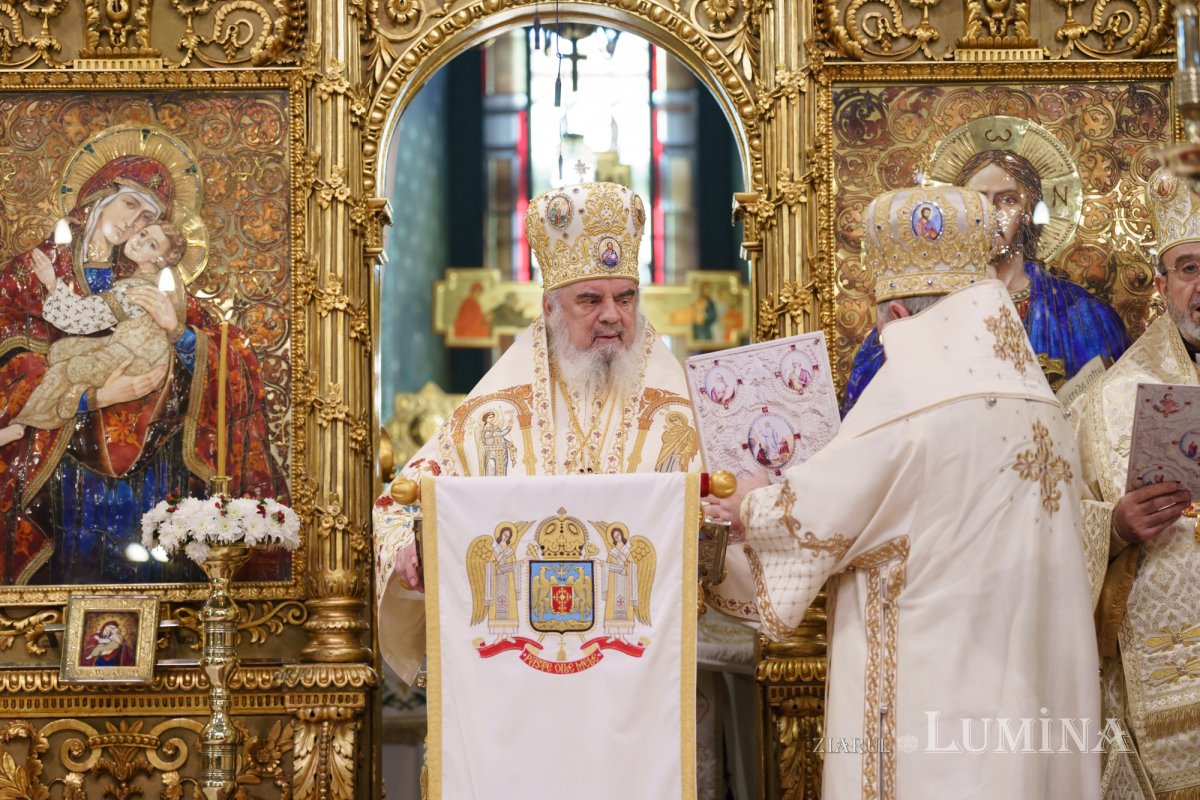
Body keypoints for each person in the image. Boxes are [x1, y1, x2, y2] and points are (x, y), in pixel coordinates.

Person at [705, 185, 1100, 797]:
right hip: (1033, 705)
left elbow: (807, 520)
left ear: (898, 315)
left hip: (937, 708)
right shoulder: (1038, 398)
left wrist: (749, 500)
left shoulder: (913, 397)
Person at [373, 182, 697, 684]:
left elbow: (727, 520)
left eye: (625, 297)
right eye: (590, 299)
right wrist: (407, 549)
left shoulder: (680, 407)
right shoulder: (494, 410)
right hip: (518, 670)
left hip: (645, 673)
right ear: (549, 308)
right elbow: (399, 504)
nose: (612, 314)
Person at [0, 133, 287, 585]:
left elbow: (225, 347)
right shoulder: (30, 271)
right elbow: (13, 355)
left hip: (148, 455)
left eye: (151, 220)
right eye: (132, 206)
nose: (137, 226)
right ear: (100, 196)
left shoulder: (144, 281)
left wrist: (181, 337)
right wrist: (88, 397)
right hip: (62, 457)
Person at [1072, 166, 1200, 799]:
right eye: (1190, 268)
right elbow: (1064, 524)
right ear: (1162, 284)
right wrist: (1118, 527)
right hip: (1166, 679)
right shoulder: (1113, 398)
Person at [841, 141, 1130, 416]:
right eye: (977, 201)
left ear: (1028, 211)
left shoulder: (1085, 316)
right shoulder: (921, 315)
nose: (991, 214)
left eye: (1008, 200)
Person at [0, 223, 187, 443]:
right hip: (129, 351)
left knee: (65, 370)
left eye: (152, 245)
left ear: (161, 260)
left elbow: (82, 318)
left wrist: (51, 282)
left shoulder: (137, 289)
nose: (139, 241)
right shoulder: (149, 283)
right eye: (143, 233)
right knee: (61, 350)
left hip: (132, 361)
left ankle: (22, 425)